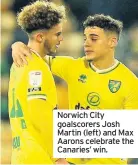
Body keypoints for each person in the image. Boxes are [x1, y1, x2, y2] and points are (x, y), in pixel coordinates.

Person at [11, 14, 138, 164]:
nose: (87, 44)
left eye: (94, 38)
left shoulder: (130, 82)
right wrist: (17, 45)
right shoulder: (74, 67)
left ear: (112, 42)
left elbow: (130, 135)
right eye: (85, 39)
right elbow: (35, 56)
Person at [8, 1, 68, 164]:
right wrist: (58, 157)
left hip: (21, 155)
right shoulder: (37, 68)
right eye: (57, 34)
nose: (61, 39)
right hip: (38, 157)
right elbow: (39, 115)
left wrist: (16, 44)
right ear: (40, 37)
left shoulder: (18, 63)